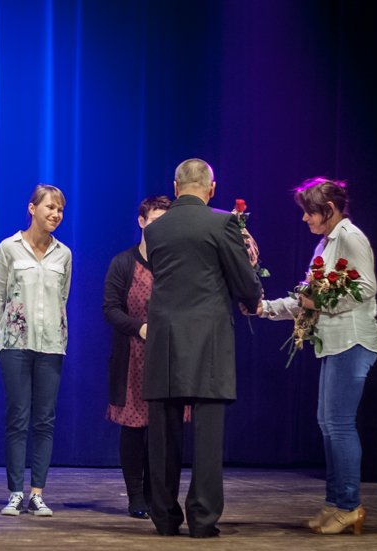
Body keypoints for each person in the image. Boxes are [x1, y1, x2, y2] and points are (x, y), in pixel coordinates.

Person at [242, 177, 377, 535]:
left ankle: (350, 506)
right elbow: (306, 299)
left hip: (352, 340)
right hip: (333, 343)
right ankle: (335, 503)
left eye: (309, 212)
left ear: (329, 210)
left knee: (339, 425)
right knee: (328, 424)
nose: (304, 218)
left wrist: (317, 300)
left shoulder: (350, 237)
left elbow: (365, 287)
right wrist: (264, 308)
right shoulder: (325, 244)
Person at [143, 159, 263, 538]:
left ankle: (163, 518)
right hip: (208, 339)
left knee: (163, 436)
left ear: (176, 187)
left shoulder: (156, 228)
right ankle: (202, 520)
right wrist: (251, 296)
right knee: (208, 437)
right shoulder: (223, 222)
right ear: (211, 189)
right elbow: (244, 279)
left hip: (164, 339)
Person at [103, 195, 194, 519]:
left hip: (170, 357)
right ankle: (136, 496)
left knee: (166, 430)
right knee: (134, 429)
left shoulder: (178, 263)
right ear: (141, 222)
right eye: (154, 221)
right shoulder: (123, 263)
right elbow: (110, 309)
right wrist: (140, 329)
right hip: (133, 358)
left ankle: (160, 495)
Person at [0, 185, 72, 517]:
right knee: (17, 418)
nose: (55, 214)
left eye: (60, 210)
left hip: (51, 345)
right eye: (50, 207)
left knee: (45, 420)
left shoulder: (64, 253)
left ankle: (37, 493)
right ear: (32, 208)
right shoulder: (9, 248)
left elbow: (62, 297)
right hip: (15, 345)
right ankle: (14, 493)